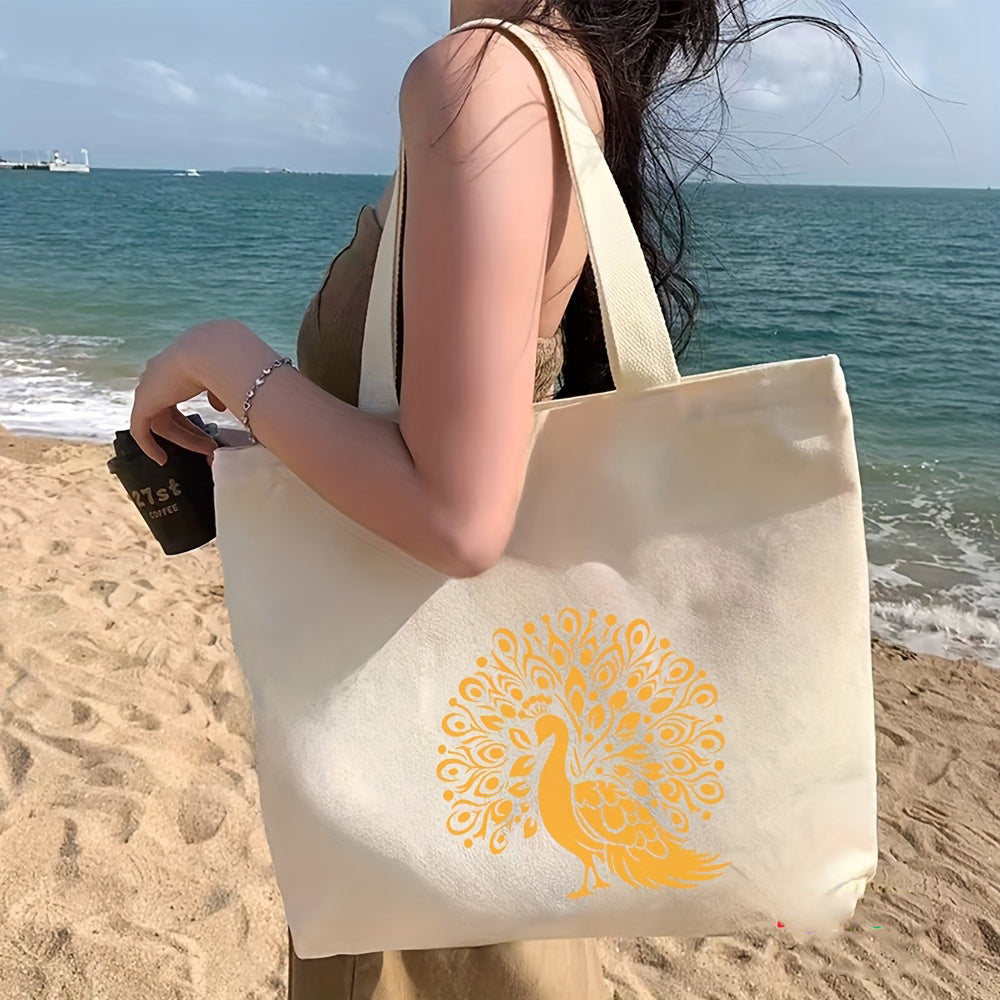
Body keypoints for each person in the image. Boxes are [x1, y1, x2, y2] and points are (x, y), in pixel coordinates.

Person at [129, 1, 860, 996]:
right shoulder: (561, 72)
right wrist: (278, 439)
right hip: (473, 768)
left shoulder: (479, 75)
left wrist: (225, 357)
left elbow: (458, 519)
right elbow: (458, 438)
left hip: (414, 772)